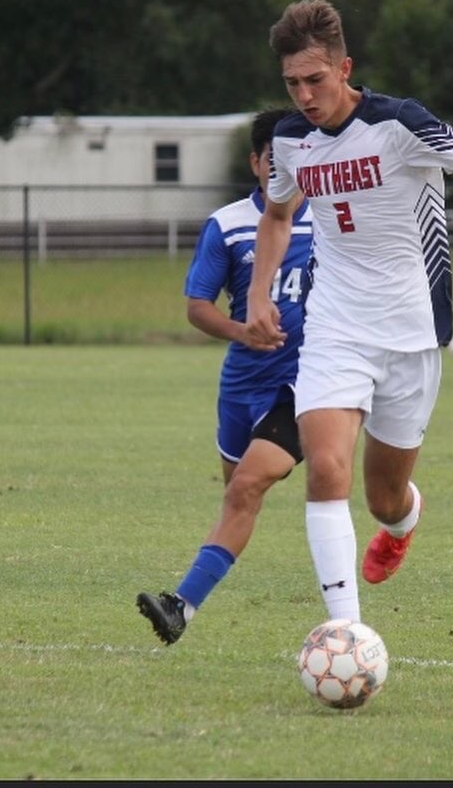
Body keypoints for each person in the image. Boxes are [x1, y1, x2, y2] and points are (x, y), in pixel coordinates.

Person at [245, 0, 453, 621]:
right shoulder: (290, 140)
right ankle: (344, 630)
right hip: (334, 326)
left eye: (315, 79)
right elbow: (276, 215)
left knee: (384, 497)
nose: (304, 95)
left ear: (344, 68)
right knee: (326, 468)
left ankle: (404, 523)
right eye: (292, 83)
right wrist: (257, 292)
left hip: (411, 331)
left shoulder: (399, 123)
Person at [136, 108, 319, 645]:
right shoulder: (229, 224)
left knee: (246, 487)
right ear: (256, 163)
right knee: (238, 498)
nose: (285, 169)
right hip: (240, 385)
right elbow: (197, 307)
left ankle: (180, 604)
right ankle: (187, 607)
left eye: (295, 158)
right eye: (274, 160)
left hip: (305, 383)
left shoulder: (331, 222)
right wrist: (242, 331)